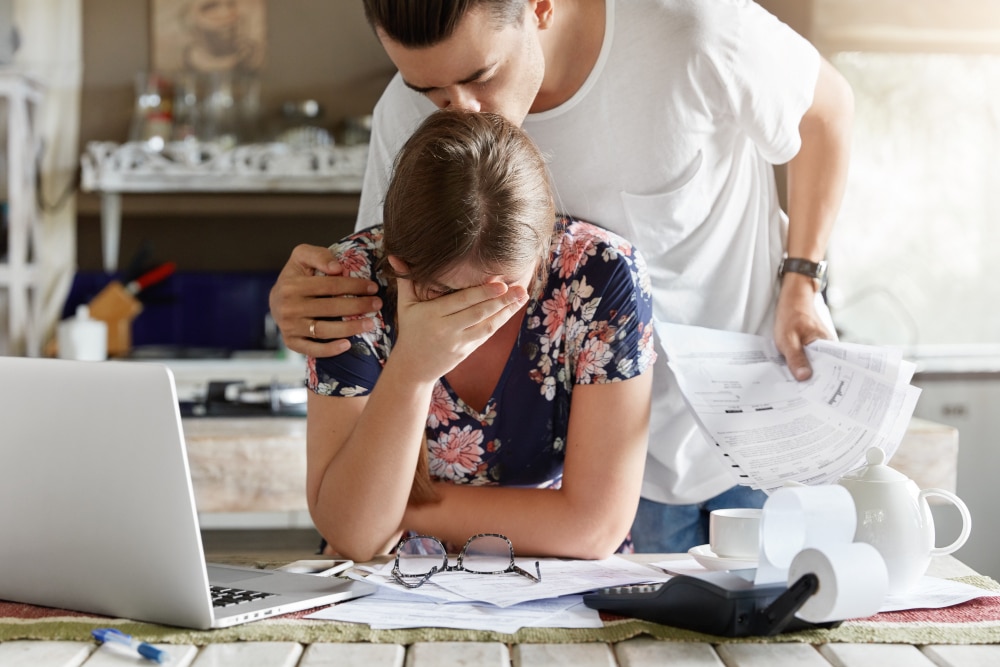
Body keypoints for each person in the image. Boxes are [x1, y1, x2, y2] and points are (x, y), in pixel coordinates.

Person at [272, 0, 854, 553]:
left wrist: (801, 278)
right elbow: (385, 274)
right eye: (428, 89)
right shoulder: (406, 115)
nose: (461, 111)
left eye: (481, 75)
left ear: (540, 7)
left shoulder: (690, 31)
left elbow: (828, 110)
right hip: (581, 464)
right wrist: (305, 299)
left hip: (741, 421)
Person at [306, 109, 656, 561]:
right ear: (398, 265)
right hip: (392, 587)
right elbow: (355, 538)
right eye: (446, 293)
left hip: (559, 583)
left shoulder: (602, 275)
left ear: (542, 251)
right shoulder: (351, 282)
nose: (479, 315)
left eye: (506, 292)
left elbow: (593, 529)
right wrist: (411, 370)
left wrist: (394, 509)